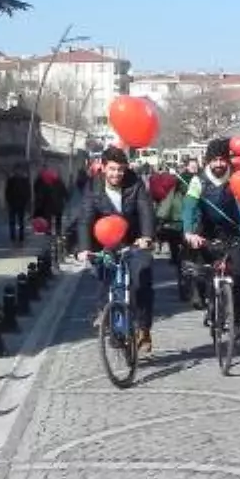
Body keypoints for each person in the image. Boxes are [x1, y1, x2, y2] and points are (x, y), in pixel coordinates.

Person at [77, 146, 157, 353]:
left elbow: (145, 210)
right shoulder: (93, 187)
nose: (117, 174)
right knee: (104, 276)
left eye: (121, 169)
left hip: (134, 240)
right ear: (103, 168)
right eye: (112, 169)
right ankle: (106, 314)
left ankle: (143, 327)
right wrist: (84, 248)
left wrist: (147, 237)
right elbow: (85, 219)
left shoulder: (135, 184)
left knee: (141, 278)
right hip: (106, 242)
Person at [182, 139, 240, 341]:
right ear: (208, 161)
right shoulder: (198, 181)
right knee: (205, 274)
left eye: (222, 160)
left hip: (232, 233)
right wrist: (189, 232)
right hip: (206, 233)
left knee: (237, 277)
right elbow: (189, 207)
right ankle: (211, 306)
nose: (219, 164)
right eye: (215, 160)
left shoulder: (236, 178)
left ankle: (237, 322)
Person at [5, 163, 32, 246]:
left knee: (21, 222)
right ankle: (13, 237)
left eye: (19, 170)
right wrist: (8, 201)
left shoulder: (25, 180)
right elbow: (7, 192)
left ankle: (21, 238)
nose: (18, 172)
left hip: (21, 204)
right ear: (14, 171)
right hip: (12, 203)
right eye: (17, 170)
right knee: (12, 222)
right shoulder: (11, 180)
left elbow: (28, 192)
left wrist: (27, 202)